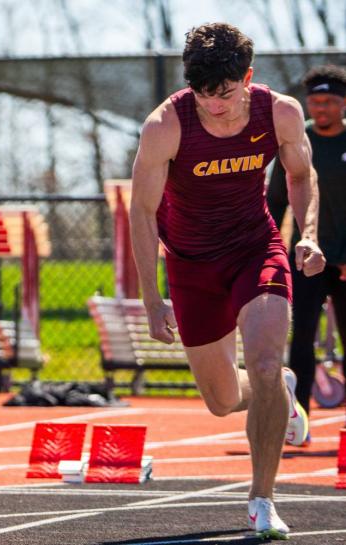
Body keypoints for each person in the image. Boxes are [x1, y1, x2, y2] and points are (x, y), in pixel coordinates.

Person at [130, 23, 322, 540]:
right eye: (204, 94)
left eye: (226, 93)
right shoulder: (165, 126)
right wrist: (152, 298)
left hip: (254, 249)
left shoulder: (278, 111)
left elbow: (301, 175)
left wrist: (308, 234)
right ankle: (280, 389)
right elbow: (142, 212)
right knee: (219, 399)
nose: (215, 105)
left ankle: (262, 500)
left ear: (248, 77)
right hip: (191, 265)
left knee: (261, 359)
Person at [268, 64, 346, 430]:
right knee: (301, 339)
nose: (321, 109)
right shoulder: (297, 143)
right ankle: (299, 421)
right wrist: (269, 251)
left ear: (343, 104)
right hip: (307, 260)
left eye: (330, 101)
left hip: (345, 262)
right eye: (315, 101)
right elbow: (275, 204)